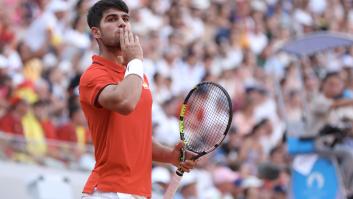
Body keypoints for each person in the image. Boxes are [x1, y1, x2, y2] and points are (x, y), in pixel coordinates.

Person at [79, 0, 196, 198]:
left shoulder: (137, 74)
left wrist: (170, 156)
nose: (122, 23)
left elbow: (137, 137)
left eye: (126, 19)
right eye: (112, 19)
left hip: (138, 191)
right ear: (96, 32)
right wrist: (135, 60)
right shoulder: (94, 75)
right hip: (108, 189)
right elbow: (124, 103)